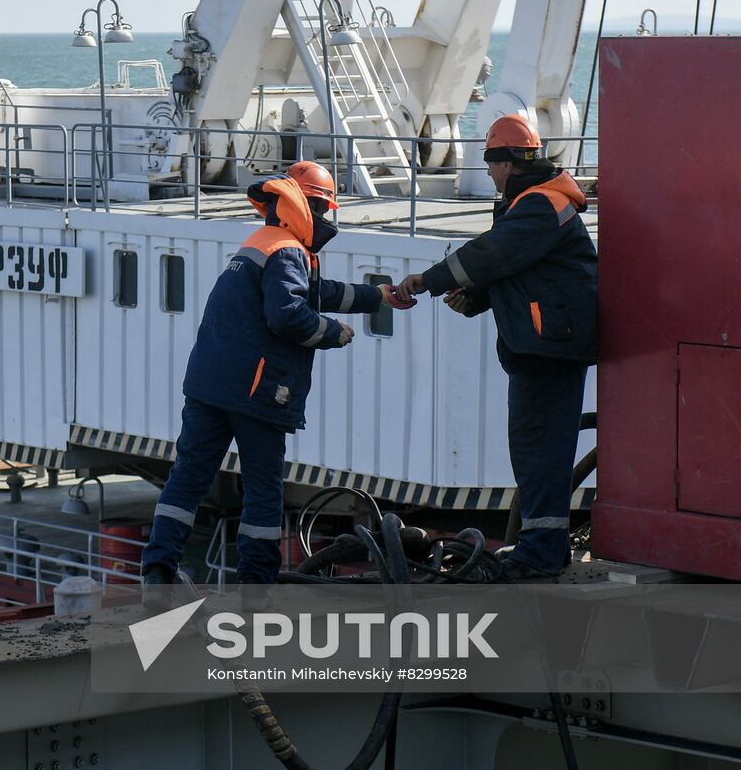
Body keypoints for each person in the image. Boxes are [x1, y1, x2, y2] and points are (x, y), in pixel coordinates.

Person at [140, 161, 414, 595]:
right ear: (310, 208)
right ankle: (257, 586)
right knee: (263, 488)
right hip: (258, 392)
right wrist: (332, 332)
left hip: (208, 388)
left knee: (188, 478)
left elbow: (315, 292)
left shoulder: (263, 243)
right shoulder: (288, 251)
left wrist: (376, 296)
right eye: (323, 210)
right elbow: (288, 315)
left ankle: (157, 573)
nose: (326, 221)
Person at [394, 114, 597, 580]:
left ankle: (541, 554)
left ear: (504, 163)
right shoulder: (533, 203)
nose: (487, 173)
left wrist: (428, 280)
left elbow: (493, 252)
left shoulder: (539, 204)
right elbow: (517, 270)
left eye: (489, 163)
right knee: (538, 450)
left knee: (539, 451)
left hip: (548, 350)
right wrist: (475, 299)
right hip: (546, 346)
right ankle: (544, 547)